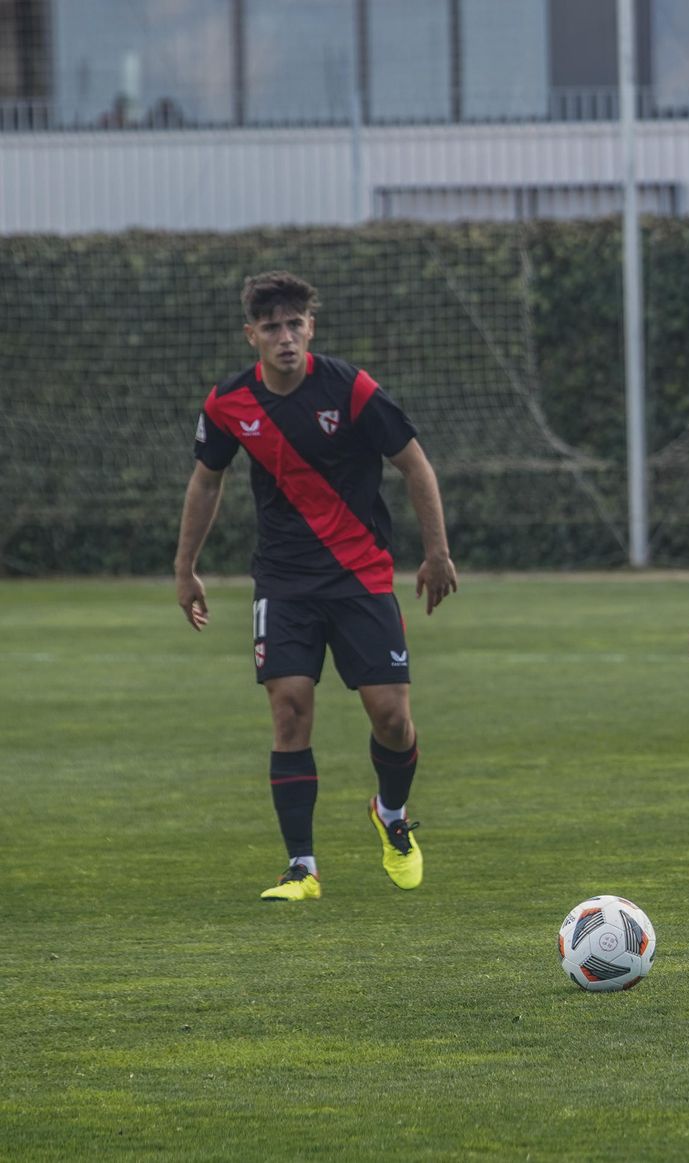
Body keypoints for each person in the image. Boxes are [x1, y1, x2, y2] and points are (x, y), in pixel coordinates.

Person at [174, 271, 458, 900]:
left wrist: (436, 553)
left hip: (360, 576)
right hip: (284, 582)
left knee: (393, 720)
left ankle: (390, 814)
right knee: (290, 711)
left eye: (294, 325)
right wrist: (185, 566)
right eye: (271, 327)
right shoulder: (228, 403)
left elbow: (415, 465)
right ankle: (301, 867)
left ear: (311, 328)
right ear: (251, 335)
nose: (285, 337)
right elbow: (206, 481)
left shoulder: (351, 389)